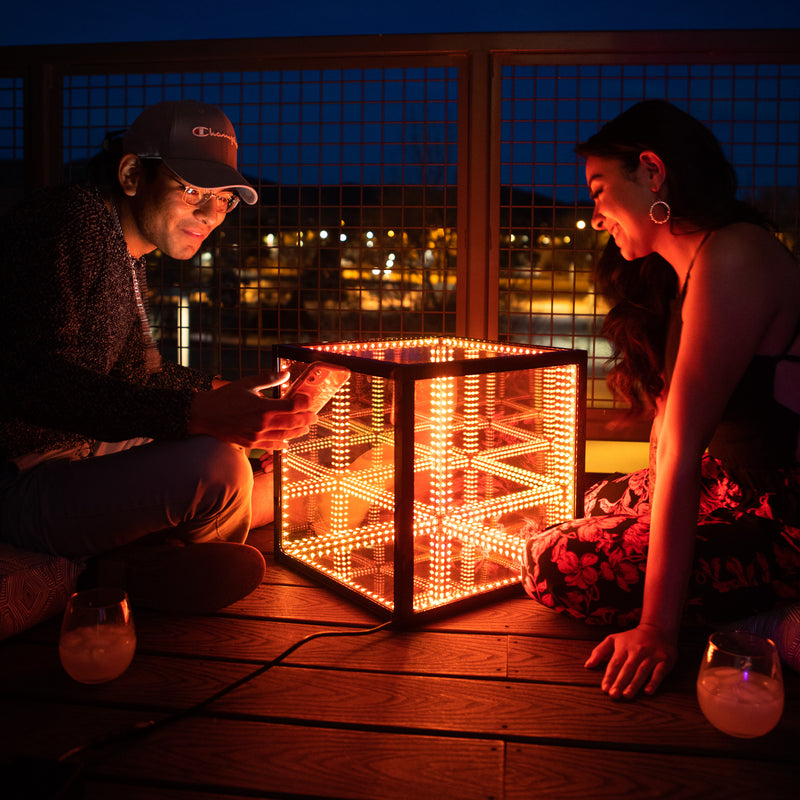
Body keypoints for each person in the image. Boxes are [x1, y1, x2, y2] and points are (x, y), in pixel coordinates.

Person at [521, 99, 800, 699]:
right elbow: (667, 440)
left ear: (652, 171)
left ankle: (775, 623)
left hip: (779, 513)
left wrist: (655, 628)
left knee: (551, 562)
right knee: (595, 502)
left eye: (599, 190)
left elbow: (679, 447)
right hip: (722, 483)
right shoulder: (691, 267)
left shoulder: (734, 255)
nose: (595, 216)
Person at [0, 100, 316, 614]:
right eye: (191, 188)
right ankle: (131, 567)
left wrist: (234, 399)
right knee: (217, 464)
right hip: (22, 477)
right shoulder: (66, 221)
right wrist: (195, 414)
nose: (211, 213)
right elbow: (34, 381)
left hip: (81, 451)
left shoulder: (123, 251)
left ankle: (152, 555)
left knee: (240, 450)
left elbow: (137, 376)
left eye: (224, 199)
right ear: (130, 173)